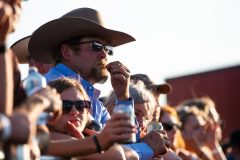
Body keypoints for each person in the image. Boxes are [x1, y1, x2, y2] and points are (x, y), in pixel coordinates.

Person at [29, 7, 170, 159]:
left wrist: (123, 96)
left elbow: (124, 143)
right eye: (96, 46)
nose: (104, 54)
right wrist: (146, 148)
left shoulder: (95, 102)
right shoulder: (43, 88)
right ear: (67, 52)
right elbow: (114, 153)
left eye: (107, 48)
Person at [46, 77, 138, 160]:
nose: (75, 112)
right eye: (65, 106)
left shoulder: (87, 135)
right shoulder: (46, 136)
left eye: (81, 105)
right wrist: (98, 140)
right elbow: (116, 155)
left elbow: (133, 155)